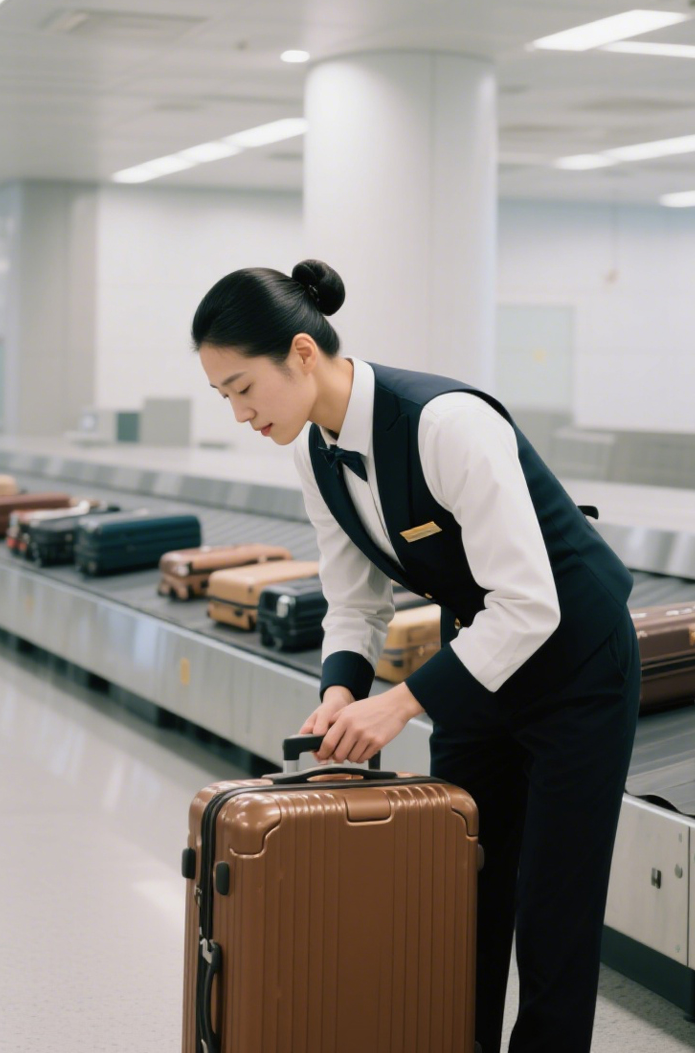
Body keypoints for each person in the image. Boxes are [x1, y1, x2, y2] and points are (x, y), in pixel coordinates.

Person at [192, 260, 640, 1053]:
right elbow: (355, 602)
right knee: (457, 897)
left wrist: (399, 704)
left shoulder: (445, 423)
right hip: (477, 665)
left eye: (241, 388)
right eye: (223, 396)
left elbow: (532, 601)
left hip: (577, 666)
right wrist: (341, 692)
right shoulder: (313, 450)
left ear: (300, 353)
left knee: (552, 917)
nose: (238, 414)